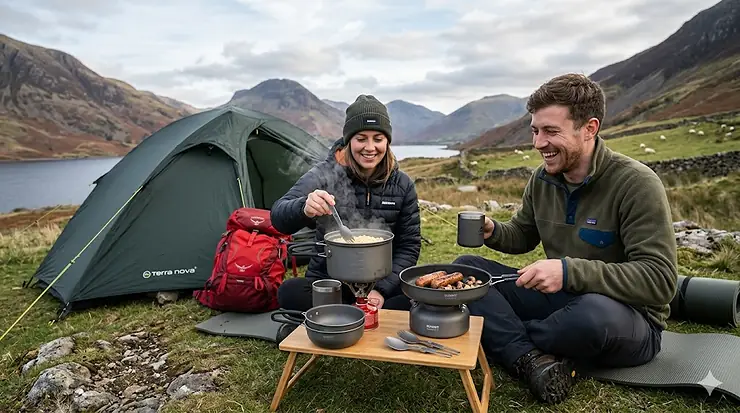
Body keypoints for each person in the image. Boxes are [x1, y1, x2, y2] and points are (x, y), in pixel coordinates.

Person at [453, 73, 678, 404]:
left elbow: (659, 280)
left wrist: (568, 271)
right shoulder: (542, 180)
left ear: (589, 128)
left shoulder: (637, 184)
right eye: (535, 130)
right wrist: (493, 231)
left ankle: (501, 335)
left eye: (551, 131)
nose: (538, 143)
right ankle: (531, 359)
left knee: (588, 316)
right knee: (468, 269)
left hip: (628, 319)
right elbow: (523, 236)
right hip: (561, 299)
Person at [270, 94, 421, 323]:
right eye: (361, 138)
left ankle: (340, 315)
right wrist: (304, 207)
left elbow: (409, 246)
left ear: (387, 142)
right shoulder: (325, 174)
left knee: (408, 303)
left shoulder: (402, 184)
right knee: (290, 292)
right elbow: (278, 216)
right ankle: (348, 312)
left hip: (381, 281)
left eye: (378, 138)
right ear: (349, 140)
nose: (370, 148)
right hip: (331, 281)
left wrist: (382, 289)